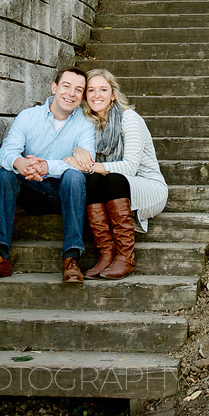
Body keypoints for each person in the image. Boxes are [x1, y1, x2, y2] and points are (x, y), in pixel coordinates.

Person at [0, 66, 96, 284]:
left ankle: (71, 258)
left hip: (63, 193)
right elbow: (5, 153)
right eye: (66, 86)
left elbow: (85, 163)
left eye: (79, 90)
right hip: (31, 190)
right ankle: (0, 256)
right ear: (54, 87)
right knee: (4, 175)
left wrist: (47, 166)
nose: (71, 94)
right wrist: (19, 162)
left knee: (75, 176)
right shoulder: (28, 116)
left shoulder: (85, 123)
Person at [64, 69, 168, 279]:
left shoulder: (129, 119)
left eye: (103, 89)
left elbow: (129, 167)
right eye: (91, 90)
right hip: (113, 188)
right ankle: (106, 253)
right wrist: (77, 150)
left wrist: (89, 165)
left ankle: (126, 257)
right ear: (85, 96)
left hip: (147, 188)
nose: (96, 95)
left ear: (113, 94)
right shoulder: (88, 124)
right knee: (93, 180)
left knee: (108, 177)